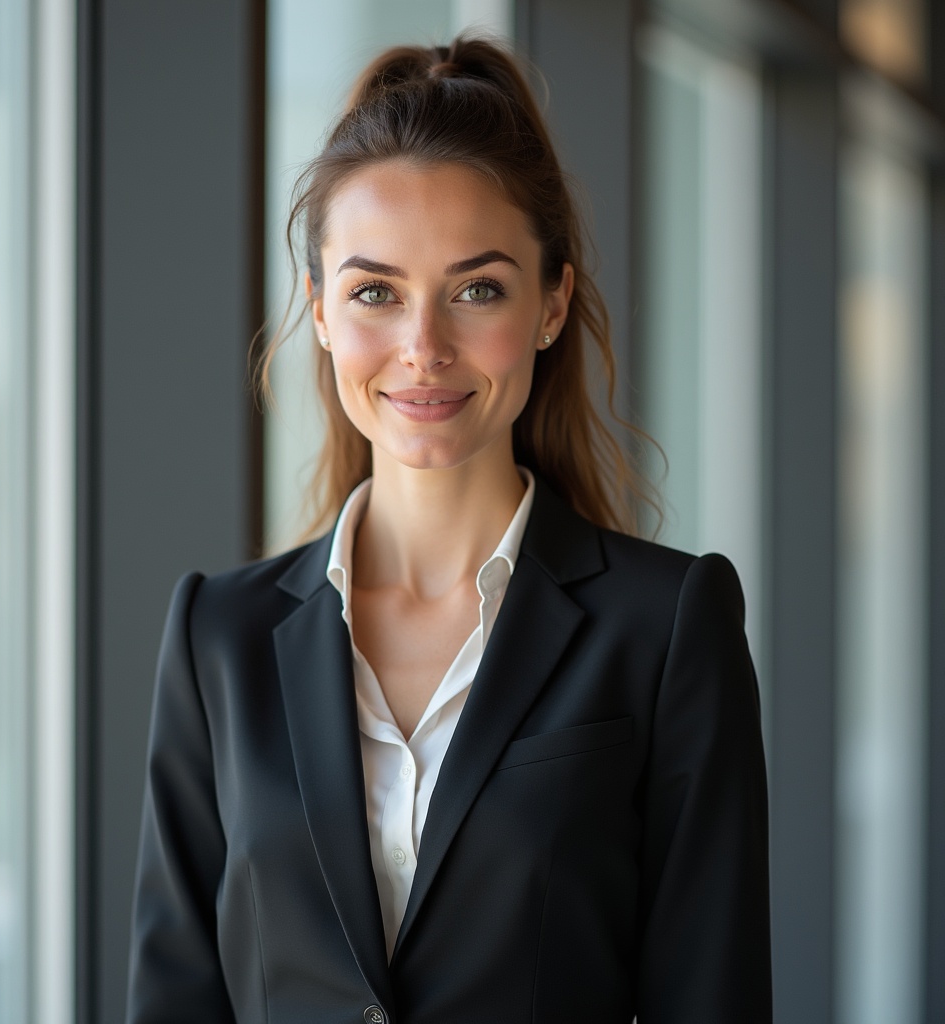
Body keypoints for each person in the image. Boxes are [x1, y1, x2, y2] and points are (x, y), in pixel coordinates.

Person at [125, 35, 771, 1024]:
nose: (422, 348)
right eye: (374, 292)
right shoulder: (219, 635)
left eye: (477, 289)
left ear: (552, 303)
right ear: (321, 311)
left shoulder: (667, 628)